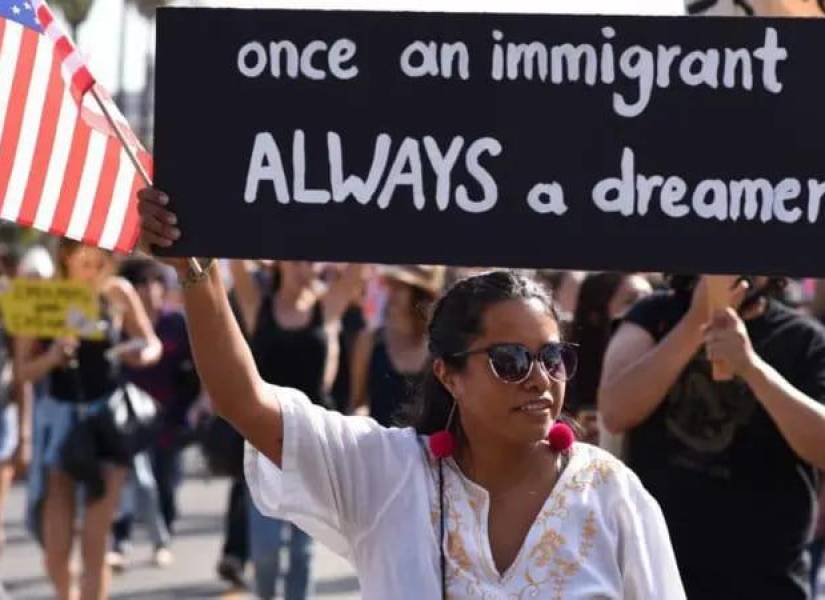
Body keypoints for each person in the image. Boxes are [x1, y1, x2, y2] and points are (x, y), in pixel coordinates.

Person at [136, 186, 686, 599]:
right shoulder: (389, 473)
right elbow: (244, 401)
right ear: (448, 374)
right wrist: (196, 271)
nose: (540, 378)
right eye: (511, 361)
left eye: (553, 358)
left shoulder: (611, 493)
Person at [599, 275, 825, 599]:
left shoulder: (804, 339)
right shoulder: (653, 315)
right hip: (662, 575)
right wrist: (695, 323)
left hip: (767, 581)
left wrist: (751, 367)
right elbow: (615, 411)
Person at [14, 240, 161, 600]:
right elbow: (22, 372)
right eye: (86, 259)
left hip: (107, 420)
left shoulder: (117, 292)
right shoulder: (44, 298)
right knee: (56, 546)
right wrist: (52, 357)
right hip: (62, 420)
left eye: (101, 259)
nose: (95, 267)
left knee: (96, 542)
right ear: (66, 257)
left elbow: (152, 343)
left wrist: (138, 354)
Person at [229, 259, 362, 600]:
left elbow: (357, 269)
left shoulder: (324, 308)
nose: (308, 267)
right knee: (266, 552)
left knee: (303, 554)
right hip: (264, 442)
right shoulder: (258, 304)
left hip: (313, 444)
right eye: (300, 259)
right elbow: (231, 259)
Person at [350, 265, 444, 426]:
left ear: (419, 295)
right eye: (390, 285)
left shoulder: (439, 347)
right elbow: (358, 402)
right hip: (379, 445)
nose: (390, 293)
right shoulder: (369, 340)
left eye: (399, 287)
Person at [567, 272, 652, 443]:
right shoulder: (562, 375)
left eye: (651, 300)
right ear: (595, 316)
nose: (646, 311)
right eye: (631, 301)